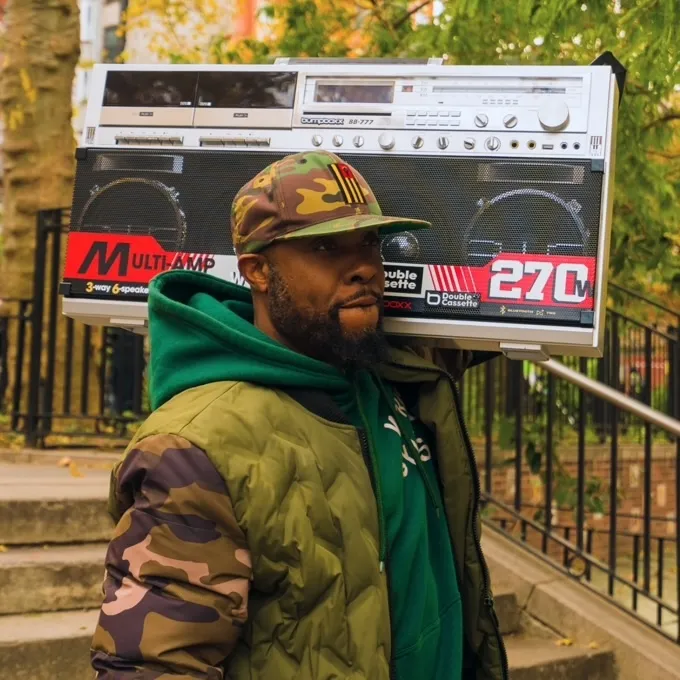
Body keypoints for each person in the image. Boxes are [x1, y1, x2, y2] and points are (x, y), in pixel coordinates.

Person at [91, 150, 508, 680]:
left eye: (371, 244)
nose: (365, 268)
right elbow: (151, 664)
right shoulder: (197, 448)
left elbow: (507, 317)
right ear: (258, 270)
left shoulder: (393, 376)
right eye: (326, 248)